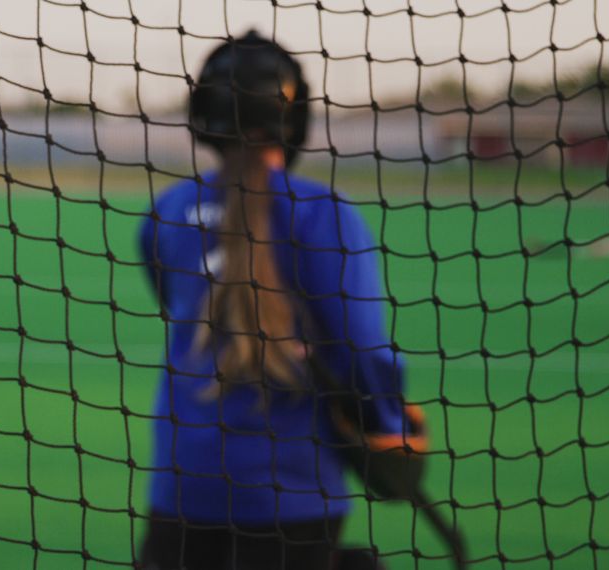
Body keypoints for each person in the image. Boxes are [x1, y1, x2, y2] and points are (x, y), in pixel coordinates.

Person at [137, 32, 408, 569]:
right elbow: (359, 349)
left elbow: (175, 300)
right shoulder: (323, 212)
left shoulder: (167, 210)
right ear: (295, 114)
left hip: (182, 487)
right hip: (294, 488)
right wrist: (387, 424)